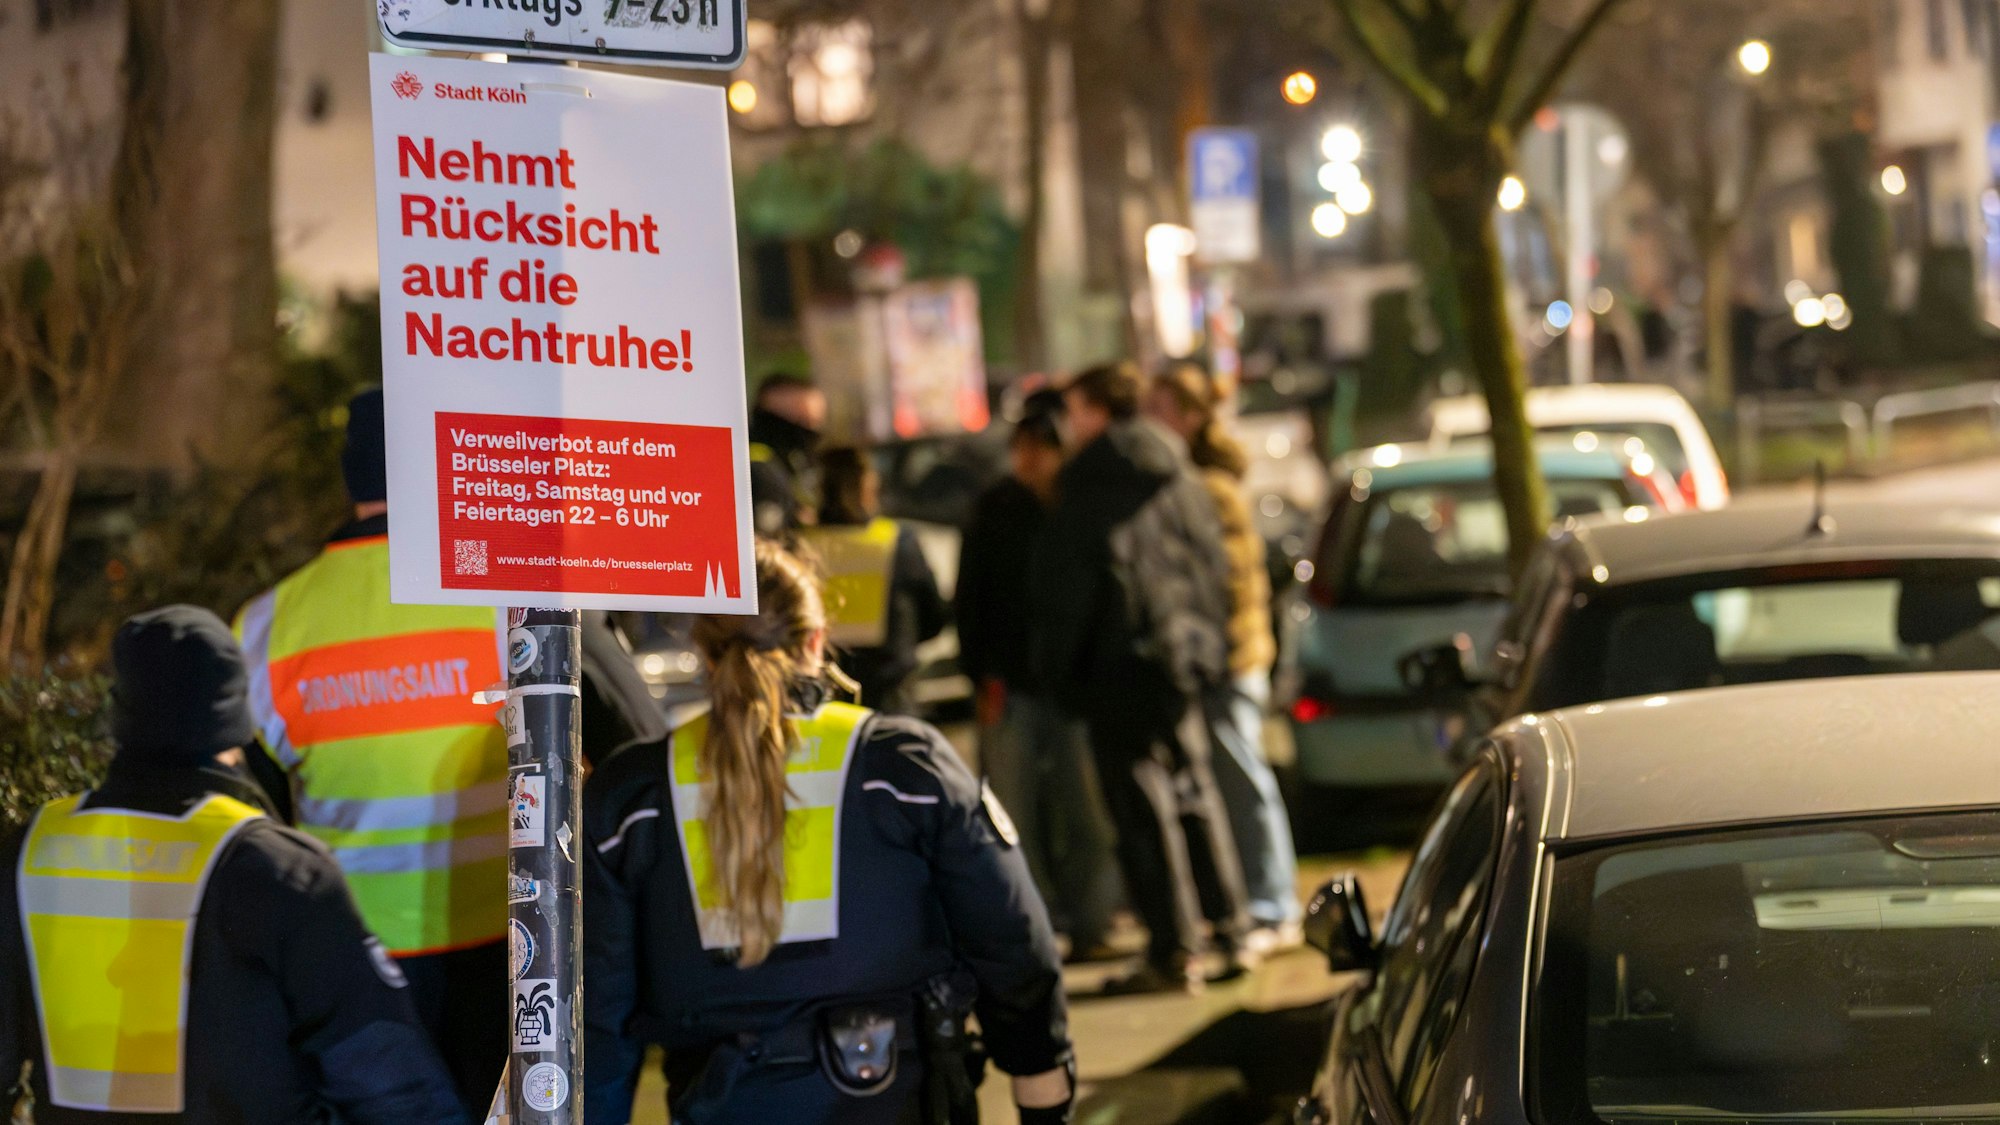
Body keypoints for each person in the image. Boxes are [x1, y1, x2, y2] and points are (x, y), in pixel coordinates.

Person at [583, 540, 1075, 1125]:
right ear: (816, 640)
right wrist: (1043, 1090)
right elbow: (1012, 942)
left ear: (704, 651)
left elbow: (597, 1019)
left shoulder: (631, 797)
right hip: (895, 1097)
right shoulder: (904, 769)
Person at [0, 606, 468, 1125]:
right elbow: (390, 1082)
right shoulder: (279, 871)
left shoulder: (30, 850)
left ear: (120, 712)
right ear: (233, 718)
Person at [232, 388, 508, 1118]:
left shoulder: (268, 623)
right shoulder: (501, 595)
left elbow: (257, 809)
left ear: (352, 480)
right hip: (502, 943)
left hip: (349, 959)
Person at [1030, 361, 1252, 993]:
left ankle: (1174, 949)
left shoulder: (1091, 484)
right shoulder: (1177, 473)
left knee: (1138, 807)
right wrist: (1207, 642)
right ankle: (1229, 930)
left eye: (1074, 410)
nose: (1068, 425)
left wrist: (1062, 674)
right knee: (1193, 788)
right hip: (1181, 655)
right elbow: (1212, 565)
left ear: (1098, 411)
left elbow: (1071, 591)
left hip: (1118, 664)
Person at [956, 395, 1121, 959]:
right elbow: (971, 599)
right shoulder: (995, 508)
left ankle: (1095, 918)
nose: (1028, 459)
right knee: (1012, 811)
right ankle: (1034, 922)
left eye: (1040, 447)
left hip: (1074, 685)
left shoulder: (1078, 506)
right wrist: (981, 674)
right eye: (1021, 447)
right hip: (1011, 682)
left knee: (1086, 810)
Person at [1146, 365, 1303, 951]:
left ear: (1188, 418)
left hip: (1231, 661)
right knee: (1235, 778)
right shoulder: (1202, 481)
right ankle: (1261, 902)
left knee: (1242, 780)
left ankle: (1272, 906)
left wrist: (1214, 652)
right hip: (1228, 657)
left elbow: (1230, 582)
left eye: (1160, 409)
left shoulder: (1208, 487)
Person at [797, 447, 949, 715]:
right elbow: (933, 616)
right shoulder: (895, 541)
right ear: (868, 488)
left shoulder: (799, 547)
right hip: (889, 697)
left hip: (822, 696)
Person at [749, 373, 829, 537]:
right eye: (802, 421)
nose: (811, 431)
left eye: (815, 422)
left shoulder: (794, 465)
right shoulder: (759, 469)